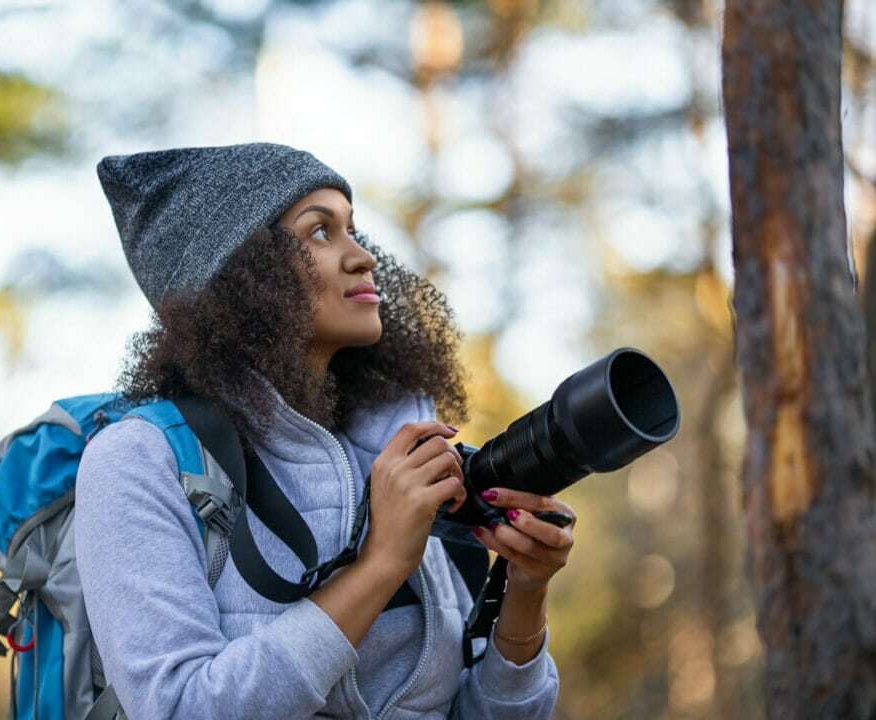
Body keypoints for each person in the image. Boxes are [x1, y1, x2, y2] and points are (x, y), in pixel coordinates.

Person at [74, 143, 576, 719]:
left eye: (354, 230)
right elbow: (180, 708)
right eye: (320, 232)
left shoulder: (397, 451)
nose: (363, 257)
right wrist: (381, 564)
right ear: (242, 275)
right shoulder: (140, 460)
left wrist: (525, 590)